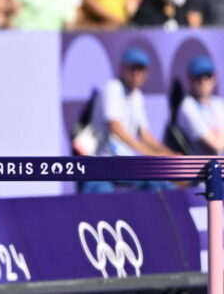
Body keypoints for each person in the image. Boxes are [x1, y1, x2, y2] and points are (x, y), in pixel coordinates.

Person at [81, 47, 176, 193]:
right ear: (122, 69)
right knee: (102, 193)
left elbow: (145, 135)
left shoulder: (137, 96)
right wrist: (148, 153)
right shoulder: (113, 88)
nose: (136, 74)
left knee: (161, 184)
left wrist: (168, 154)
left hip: (127, 165)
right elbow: (115, 128)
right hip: (104, 163)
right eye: (132, 69)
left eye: (140, 69)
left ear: (146, 73)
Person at [176, 55, 224, 155]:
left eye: (207, 76)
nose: (203, 82)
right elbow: (215, 144)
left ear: (214, 78)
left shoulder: (218, 104)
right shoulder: (187, 106)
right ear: (190, 79)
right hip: (202, 168)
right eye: (198, 77)